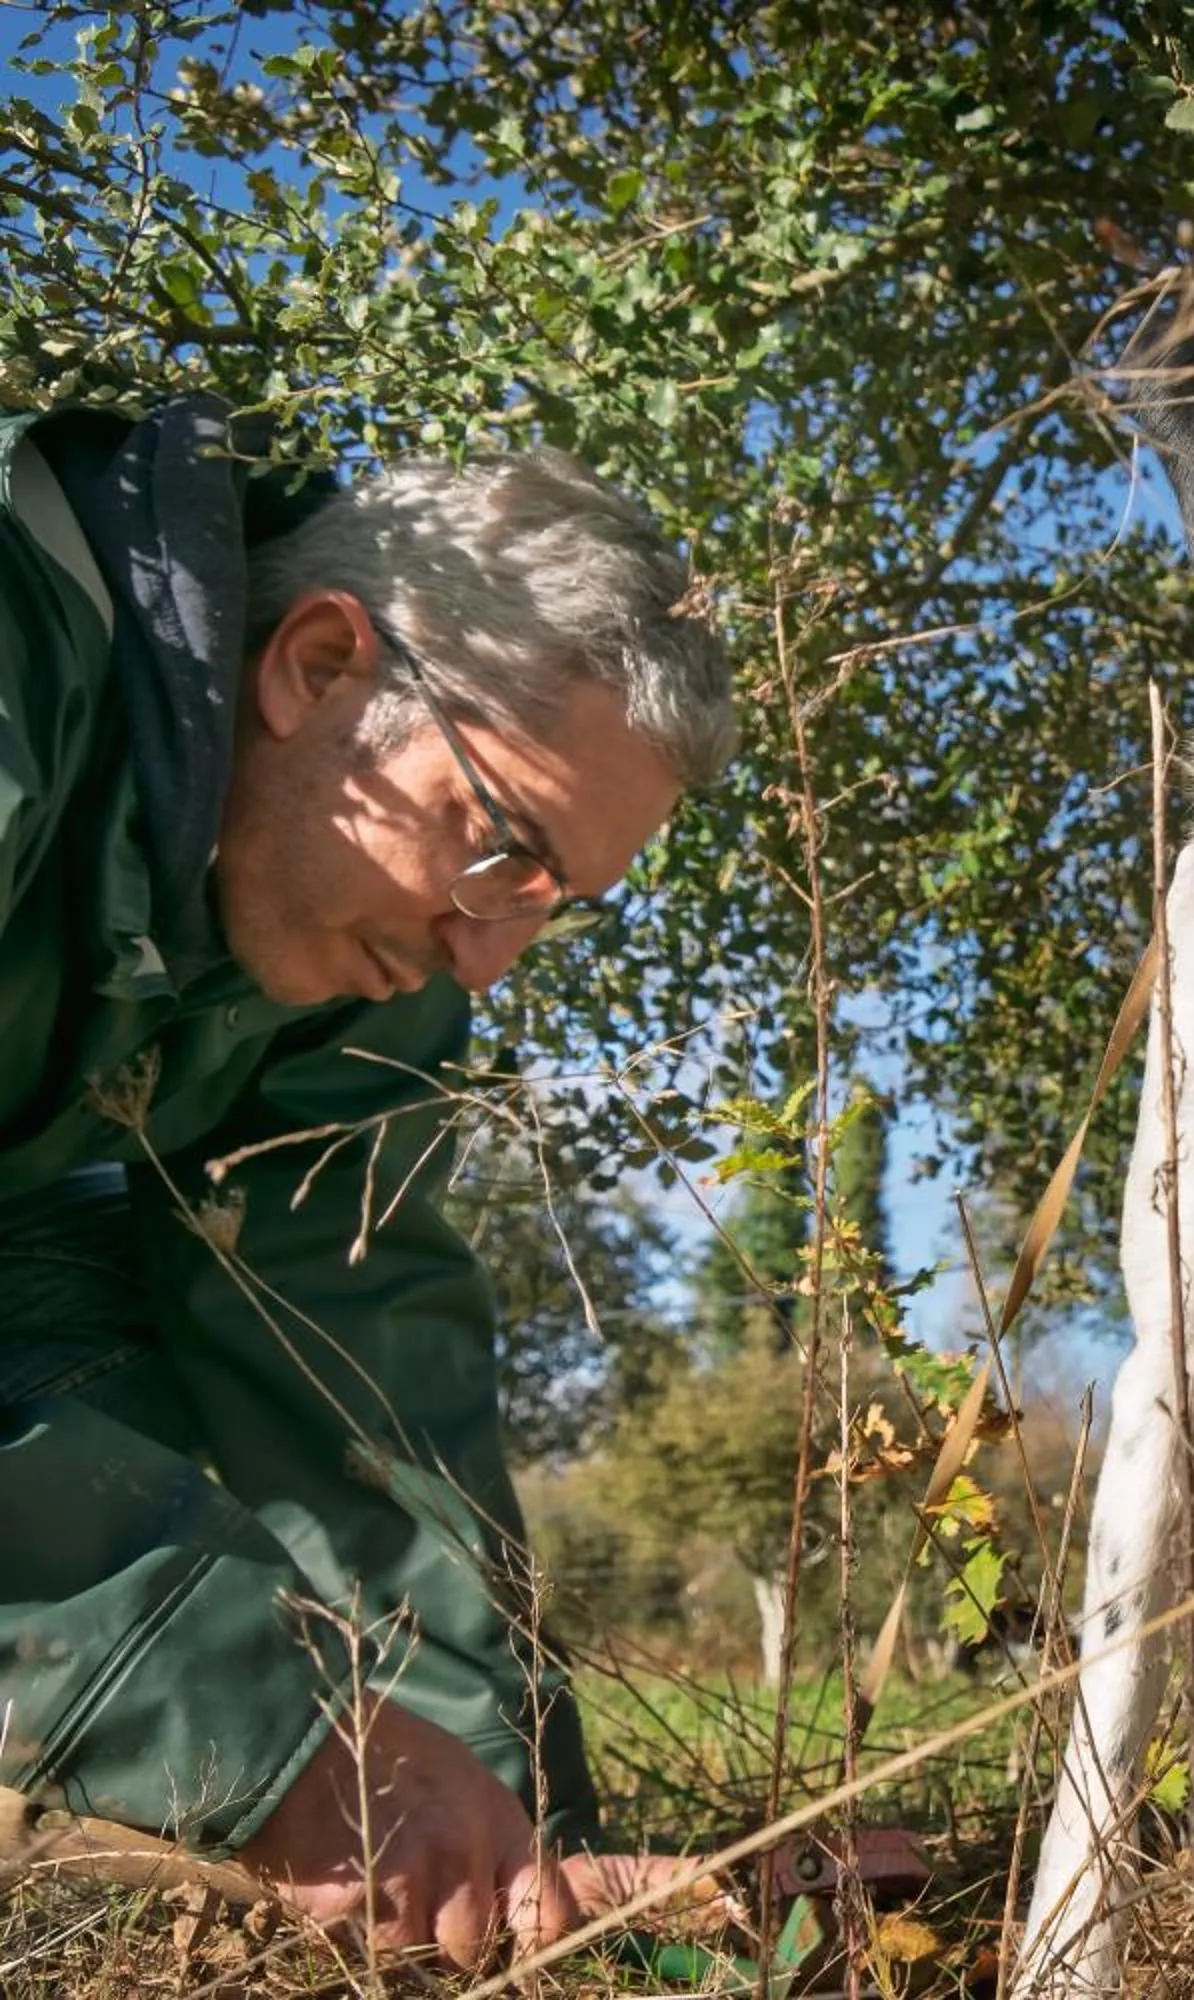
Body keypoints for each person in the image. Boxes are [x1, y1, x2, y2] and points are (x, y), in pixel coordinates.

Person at [0, 396, 732, 1965]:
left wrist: (511, 1853)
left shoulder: (356, 934)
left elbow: (361, 1374)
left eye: (554, 902)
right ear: (317, 664)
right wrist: (276, 1740)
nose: (488, 956)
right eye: (503, 844)